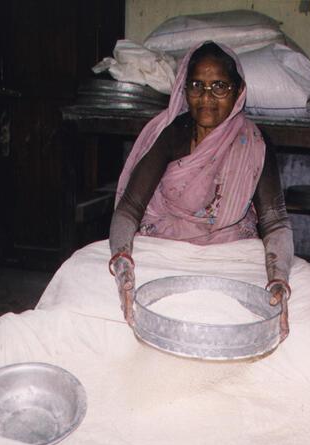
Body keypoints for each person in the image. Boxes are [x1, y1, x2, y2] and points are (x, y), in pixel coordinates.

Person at [108, 41, 293, 341]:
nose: (206, 97)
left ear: (237, 91)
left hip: (229, 252)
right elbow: (129, 208)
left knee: (302, 295)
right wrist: (122, 262)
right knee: (83, 281)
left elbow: (275, 222)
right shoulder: (171, 134)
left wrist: (278, 281)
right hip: (165, 247)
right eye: (197, 85)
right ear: (184, 89)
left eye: (219, 86)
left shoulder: (254, 143)